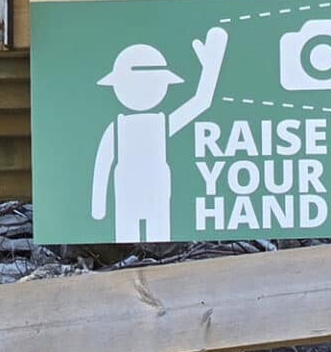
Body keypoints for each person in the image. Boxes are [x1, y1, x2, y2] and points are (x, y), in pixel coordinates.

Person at [90, 27, 228, 244]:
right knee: (126, 233)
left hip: (157, 189)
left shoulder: (160, 123)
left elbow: (201, 102)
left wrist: (212, 68)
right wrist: (98, 206)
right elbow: (102, 163)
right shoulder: (118, 127)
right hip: (127, 191)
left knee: (160, 232)